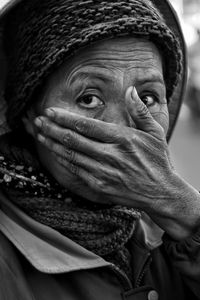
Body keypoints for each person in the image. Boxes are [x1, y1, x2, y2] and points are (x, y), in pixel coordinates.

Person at [0, 0, 199, 299]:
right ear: (29, 113)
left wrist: (181, 208)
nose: (123, 129)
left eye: (147, 98)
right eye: (89, 99)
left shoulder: (170, 227)